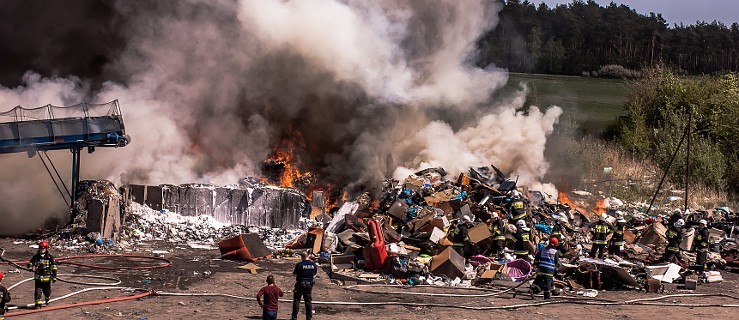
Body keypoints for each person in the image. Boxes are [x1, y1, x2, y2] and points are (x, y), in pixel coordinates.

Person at [27, 240, 57, 309]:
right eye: (41, 248)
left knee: (47, 291)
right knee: (38, 292)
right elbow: (30, 263)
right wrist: (30, 267)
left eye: (43, 248)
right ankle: (38, 304)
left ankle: (47, 297)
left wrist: (54, 276)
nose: (42, 249)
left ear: (46, 248)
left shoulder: (50, 257)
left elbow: (54, 267)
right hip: (38, 278)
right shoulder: (36, 257)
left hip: (47, 278)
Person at [291, 251, 317, 320]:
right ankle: (309, 317)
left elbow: (294, 274)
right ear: (308, 255)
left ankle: (294, 317)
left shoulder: (299, 265)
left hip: (300, 283)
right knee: (308, 301)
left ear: (302, 257)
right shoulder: (313, 265)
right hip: (309, 284)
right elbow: (314, 274)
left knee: (296, 300)